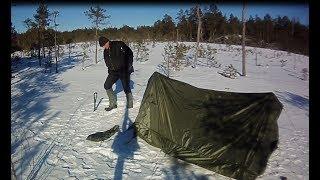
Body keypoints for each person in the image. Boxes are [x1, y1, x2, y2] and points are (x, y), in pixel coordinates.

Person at [99, 36, 134, 111]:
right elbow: (108, 61)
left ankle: (130, 104)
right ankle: (113, 104)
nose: (104, 47)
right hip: (113, 72)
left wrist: (129, 65)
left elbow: (130, 53)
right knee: (107, 85)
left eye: (104, 45)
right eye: (102, 46)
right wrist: (109, 69)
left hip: (123, 70)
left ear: (107, 41)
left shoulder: (118, 44)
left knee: (126, 87)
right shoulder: (105, 50)